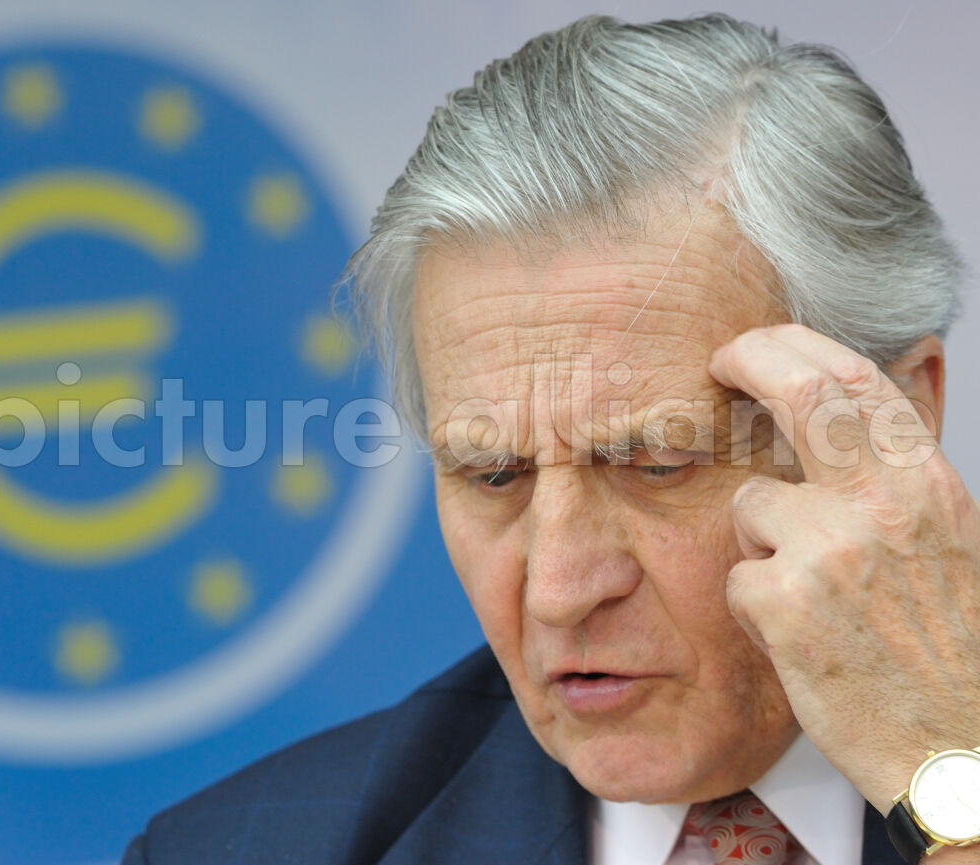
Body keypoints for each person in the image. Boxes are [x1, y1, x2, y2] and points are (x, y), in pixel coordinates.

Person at [123, 13, 980, 865]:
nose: (559, 590)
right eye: (493, 474)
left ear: (897, 418)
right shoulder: (245, 849)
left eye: (658, 463)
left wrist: (947, 774)